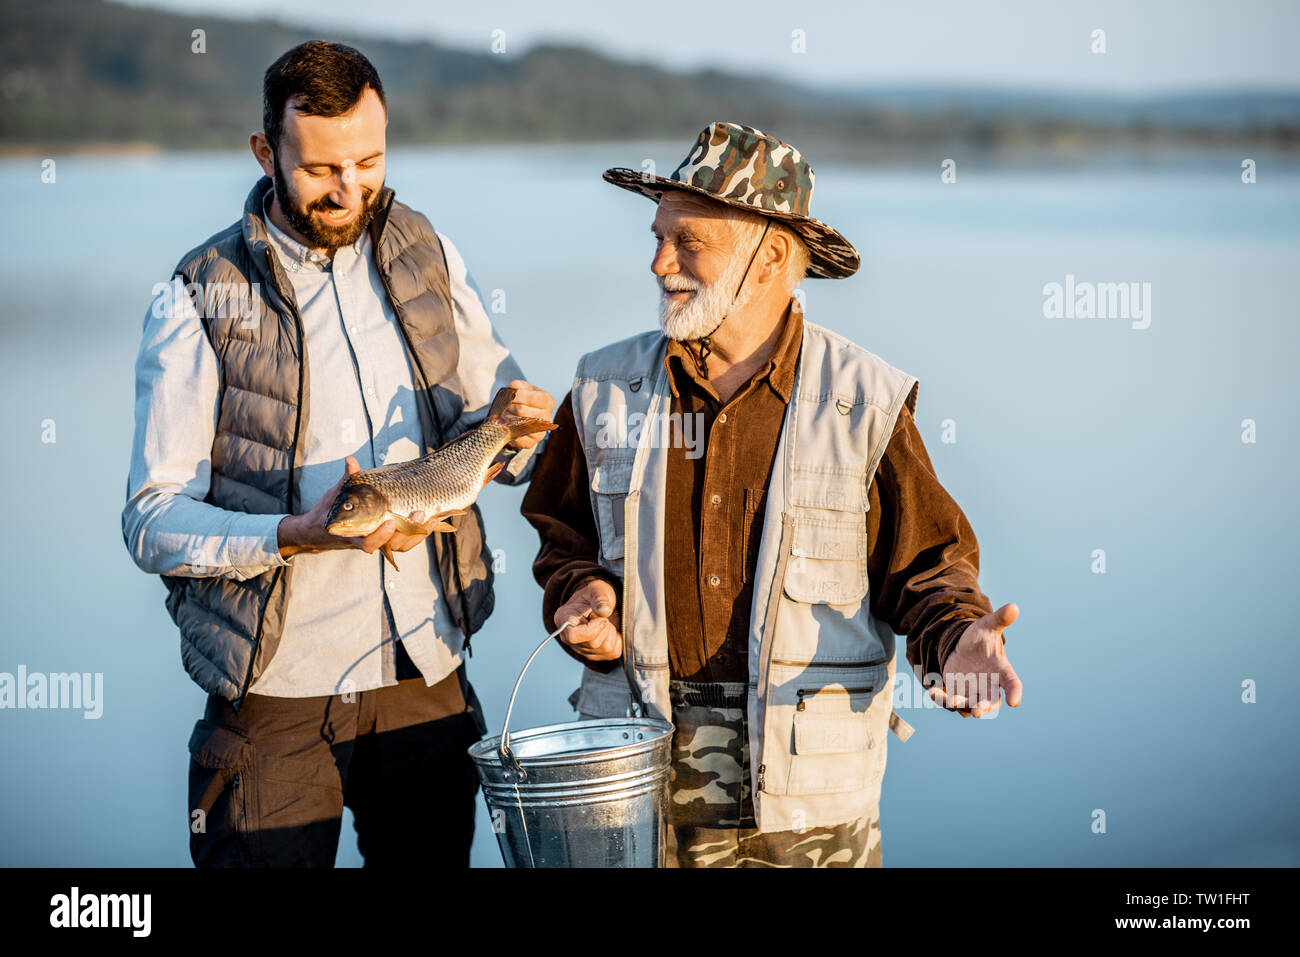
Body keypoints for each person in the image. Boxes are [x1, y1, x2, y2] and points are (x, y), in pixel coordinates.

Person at [521, 121, 1022, 867]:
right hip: (631, 794)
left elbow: (926, 574)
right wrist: (578, 594)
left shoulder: (865, 403)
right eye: (657, 236)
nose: (659, 263)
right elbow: (560, 533)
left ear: (772, 256)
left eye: (688, 241)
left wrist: (958, 643)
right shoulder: (601, 391)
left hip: (810, 817)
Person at [122, 41, 554, 867]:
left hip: (425, 675)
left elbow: (499, 425)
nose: (351, 187)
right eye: (322, 168)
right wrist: (292, 534)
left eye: (369, 159)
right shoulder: (197, 293)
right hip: (272, 697)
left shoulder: (428, 250)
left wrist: (521, 432)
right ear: (265, 152)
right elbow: (149, 522)